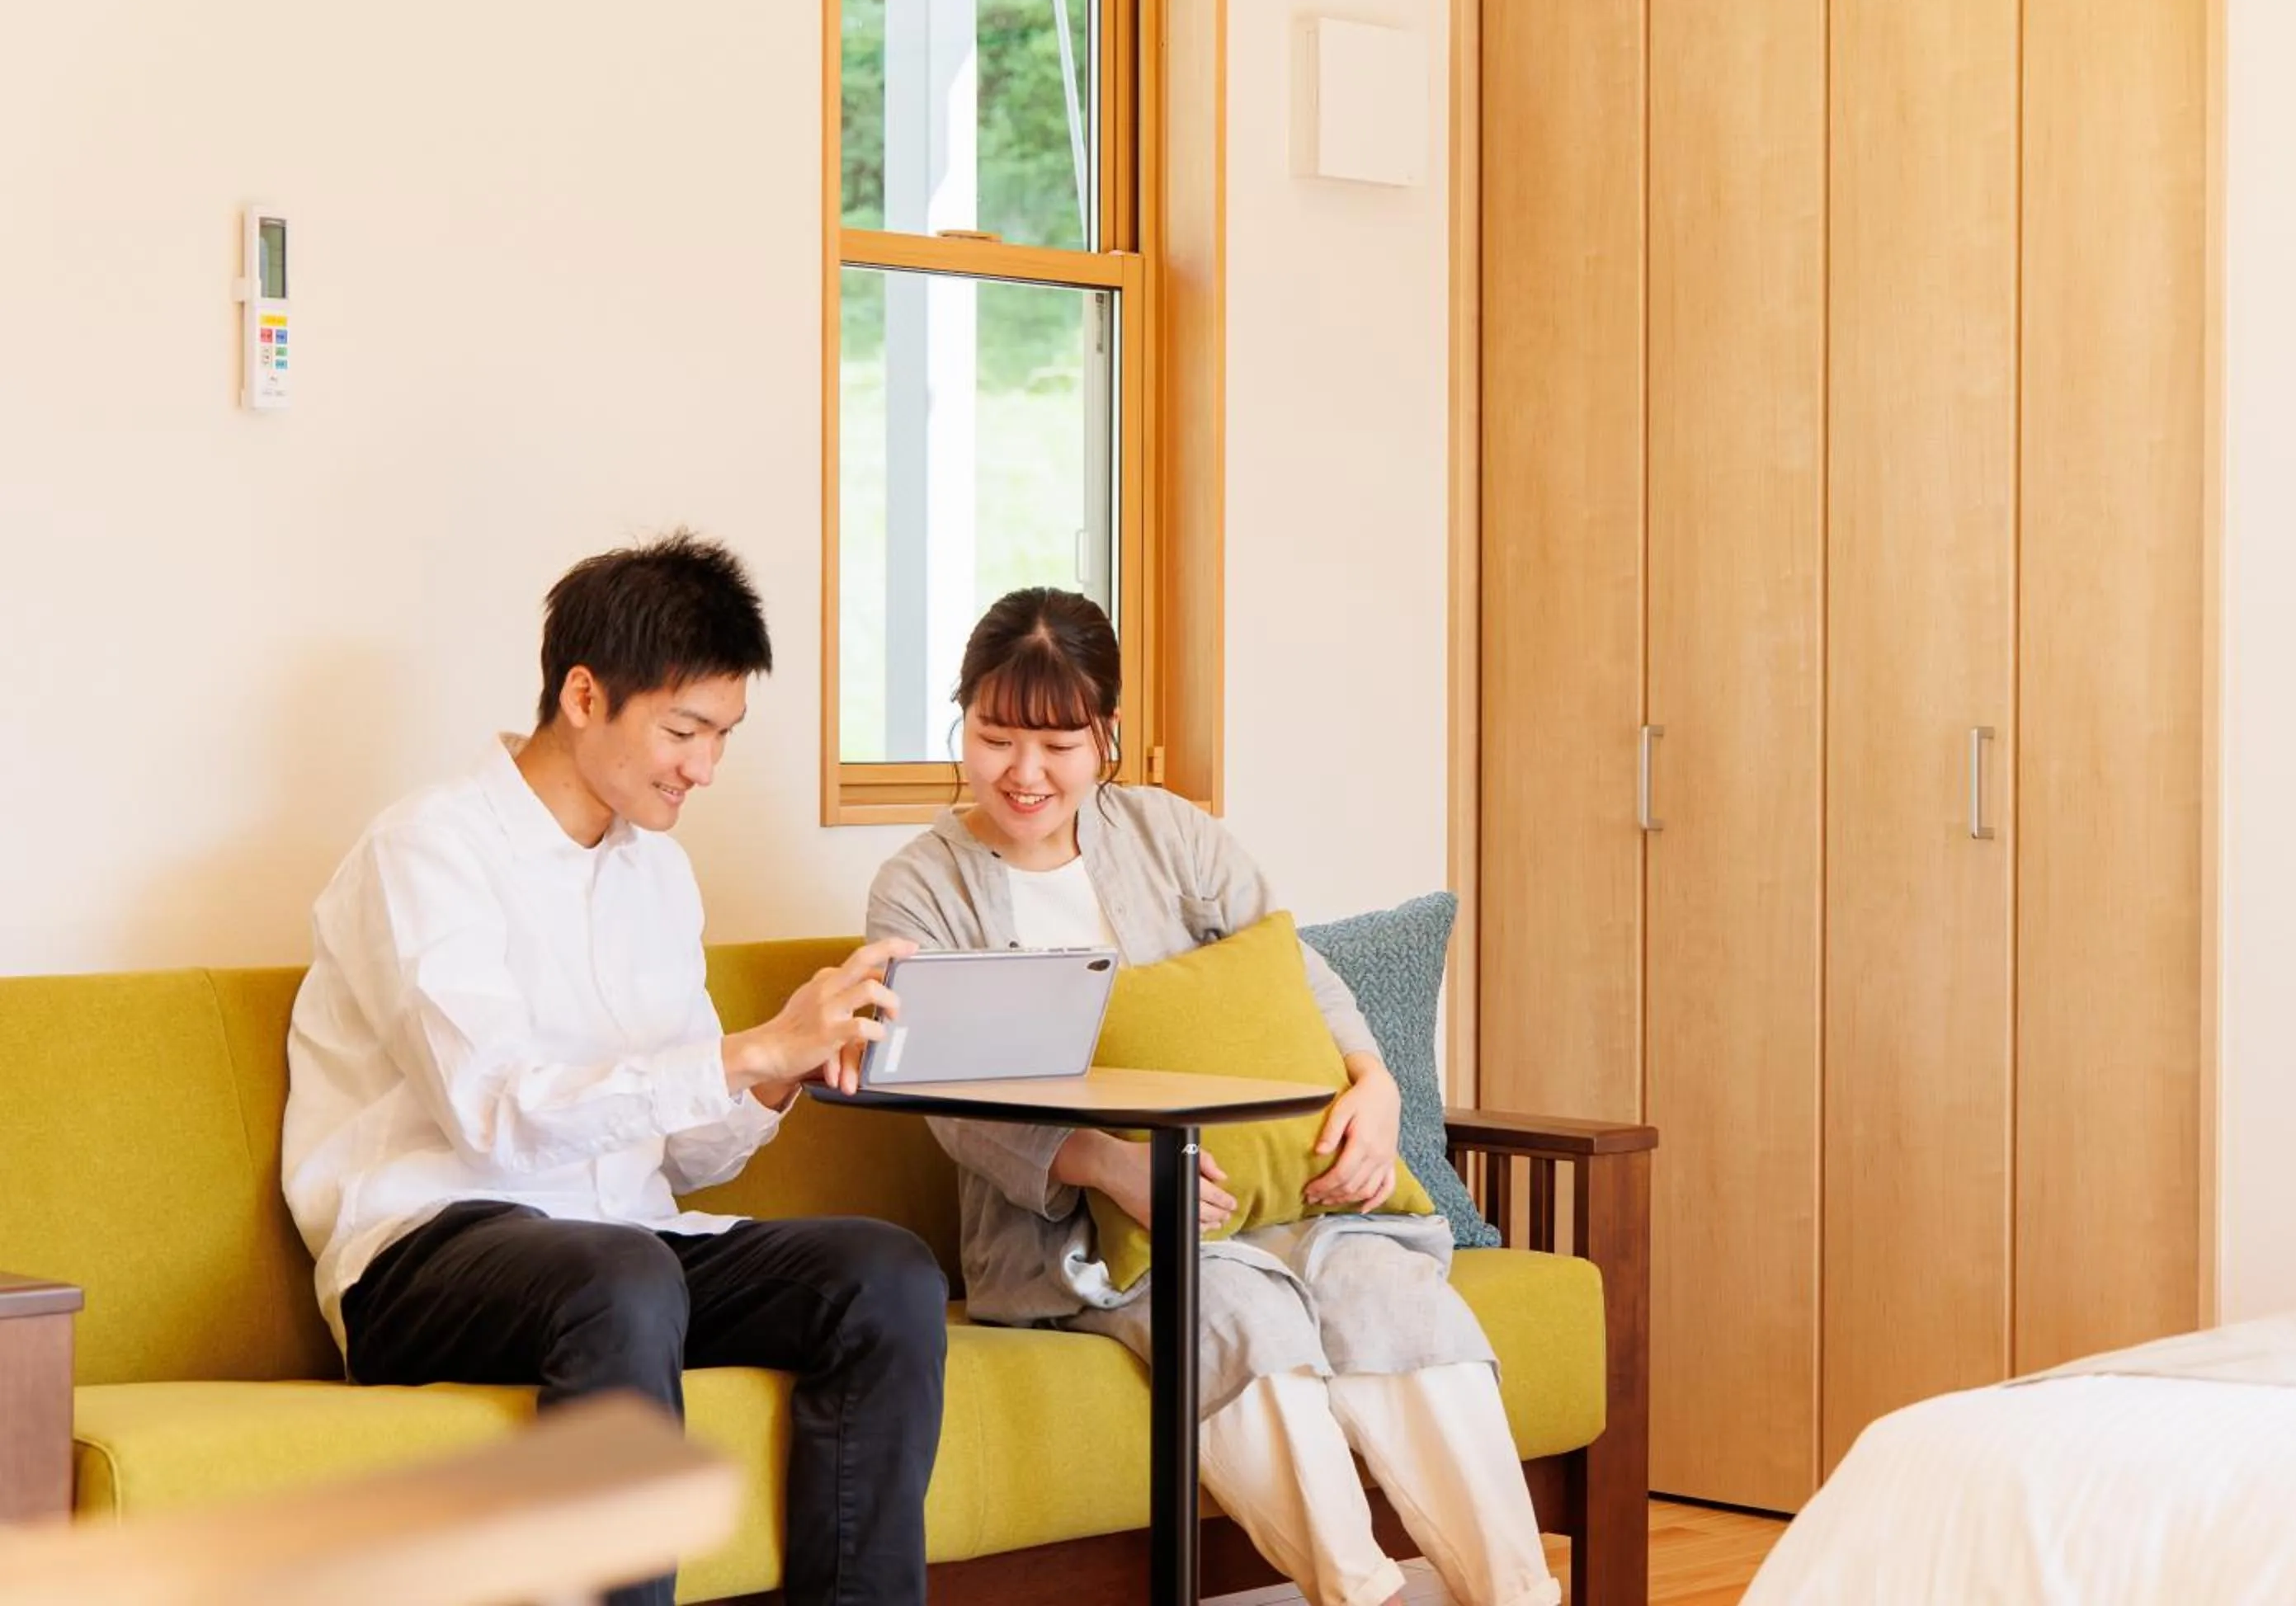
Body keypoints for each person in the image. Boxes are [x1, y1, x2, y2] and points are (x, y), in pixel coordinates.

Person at [283, 533, 945, 1606]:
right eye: (685, 731)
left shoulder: (659, 876)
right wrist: (747, 1051)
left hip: (626, 1255)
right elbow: (493, 1116)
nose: (705, 768)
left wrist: (782, 1068)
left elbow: (683, 1152)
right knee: (620, 1281)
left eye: (723, 736)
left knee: (886, 1275)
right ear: (584, 695)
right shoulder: (427, 851)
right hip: (423, 1256)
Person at [865, 587, 1555, 1606]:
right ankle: (1362, 1596)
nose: (1024, 772)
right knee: (1236, 1312)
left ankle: (1518, 1593)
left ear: (1106, 734)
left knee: (1394, 1297)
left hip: (1285, 1197)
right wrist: (1104, 1161)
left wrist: (1374, 1082)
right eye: (995, 735)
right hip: (1089, 1240)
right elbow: (939, 1090)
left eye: (1057, 743)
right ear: (961, 723)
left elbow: (1293, 965)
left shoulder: (1167, 833)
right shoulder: (919, 886)